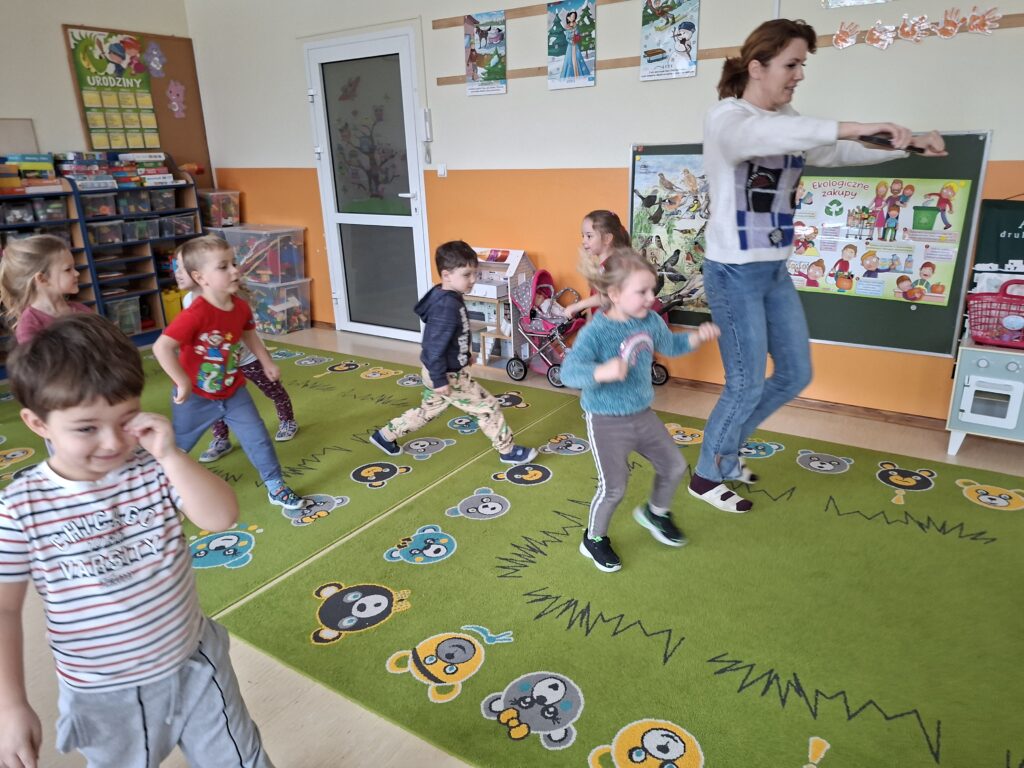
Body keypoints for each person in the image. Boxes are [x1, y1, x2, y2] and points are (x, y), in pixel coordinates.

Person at [689, 17, 946, 513]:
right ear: (757, 67)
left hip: (772, 270)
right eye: (791, 64)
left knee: (794, 373)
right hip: (734, 272)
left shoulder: (788, 118)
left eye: (802, 64)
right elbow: (773, 133)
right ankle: (706, 475)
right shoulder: (727, 118)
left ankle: (723, 453)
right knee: (744, 385)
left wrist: (908, 144)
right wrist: (859, 124)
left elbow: (831, 149)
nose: (799, 75)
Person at [0, 314, 273, 768]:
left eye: (125, 420)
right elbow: (4, 609)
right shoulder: (19, 507)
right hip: (103, 693)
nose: (112, 442)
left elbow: (221, 517)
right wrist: (10, 706)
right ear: (38, 423)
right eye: (86, 428)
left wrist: (169, 455)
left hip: (196, 663)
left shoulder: (153, 467)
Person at [561, 248, 720, 572]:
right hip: (605, 420)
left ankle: (655, 513)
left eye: (652, 290)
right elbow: (569, 372)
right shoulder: (596, 331)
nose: (651, 298)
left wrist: (695, 338)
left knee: (674, 466)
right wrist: (601, 371)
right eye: (642, 291)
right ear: (615, 294)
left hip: (642, 414)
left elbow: (670, 345)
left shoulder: (649, 321)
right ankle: (593, 538)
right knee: (614, 487)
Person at [152, 235, 305, 509]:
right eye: (223, 267)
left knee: (258, 437)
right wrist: (182, 381)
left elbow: (249, 335)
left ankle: (275, 486)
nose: (235, 270)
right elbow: (162, 347)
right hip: (196, 396)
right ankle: (158, 490)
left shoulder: (240, 307)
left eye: (233, 263)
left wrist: (266, 361)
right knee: (178, 447)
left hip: (233, 391)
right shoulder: (195, 314)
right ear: (200, 278)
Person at [370, 240, 537, 465]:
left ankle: (384, 436)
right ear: (446, 275)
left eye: (475, 273)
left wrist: (464, 355)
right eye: (467, 274)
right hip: (447, 375)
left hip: (442, 370)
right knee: (487, 407)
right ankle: (507, 451)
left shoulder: (446, 295)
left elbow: (451, 337)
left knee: (428, 411)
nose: (473, 280)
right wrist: (440, 378)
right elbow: (433, 347)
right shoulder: (446, 306)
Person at [171, 249, 298, 464]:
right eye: (175, 267)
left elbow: (248, 334)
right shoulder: (189, 301)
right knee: (214, 398)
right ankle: (221, 439)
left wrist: (266, 361)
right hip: (214, 365)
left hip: (245, 357)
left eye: (182, 267)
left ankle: (287, 419)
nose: (177, 273)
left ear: (198, 274)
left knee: (272, 388)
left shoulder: (231, 298)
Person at [0, 234, 91, 344]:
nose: (77, 273)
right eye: (68, 270)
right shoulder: (30, 325)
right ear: (42, 278)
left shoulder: (82, 310)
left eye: (74, 267)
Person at [563, 209, 631, 317]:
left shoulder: (615, 265)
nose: (583, 241)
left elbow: (608, 297)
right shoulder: (603, 266)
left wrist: (578, 305)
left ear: (607, 238)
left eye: (589, 236)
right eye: (583, 236)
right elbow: (597, 299)